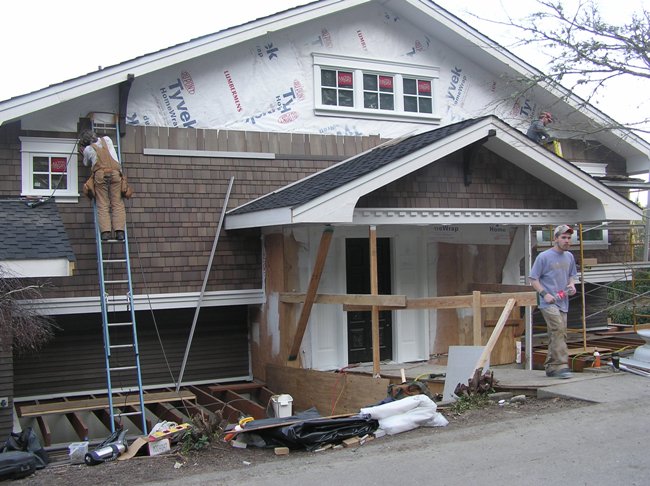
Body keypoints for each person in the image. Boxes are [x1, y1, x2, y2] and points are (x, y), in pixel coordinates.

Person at [529, 224, 578, 379]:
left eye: (569, 238)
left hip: (563, 301)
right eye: (563, 237)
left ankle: (551, 366)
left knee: (558, 333)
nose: (567, 241)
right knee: (558, 329)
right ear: (555, 239)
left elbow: (572, 275)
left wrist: (572, 284)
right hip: (548, 302)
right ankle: (562, 365)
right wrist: (544, 294)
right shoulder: (544, 257)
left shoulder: (569, 256)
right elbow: (533, 279)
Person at [79, 130, 126, 241]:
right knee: (117, 203)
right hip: (115, 173)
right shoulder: (107, 139)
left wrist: (83, 151)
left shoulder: (88, 149)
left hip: (100, 175)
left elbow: (86, 163)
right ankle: (120, 233)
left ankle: (105, 233)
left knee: (103, 203)